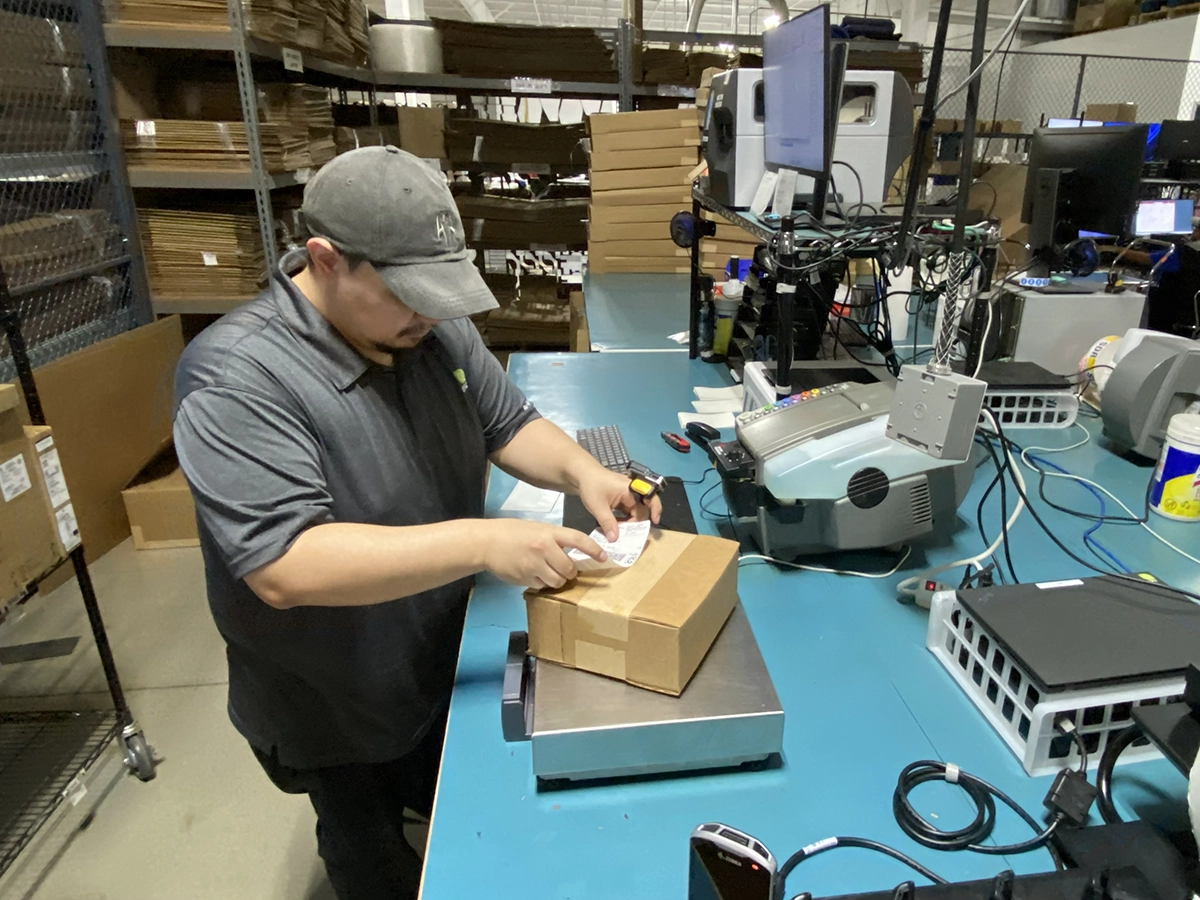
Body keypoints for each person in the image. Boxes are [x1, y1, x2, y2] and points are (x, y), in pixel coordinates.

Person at [172, 145, 662, 900]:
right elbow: (283, 564)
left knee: (461, 806)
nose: (429, 314)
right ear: (325, 260)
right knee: (372, 854)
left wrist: (583, 472)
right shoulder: (237, 377)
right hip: (337, 697)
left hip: (436, 649)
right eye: (407, 294)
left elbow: (507, 421)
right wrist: (485, 541)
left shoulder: (428, 329)